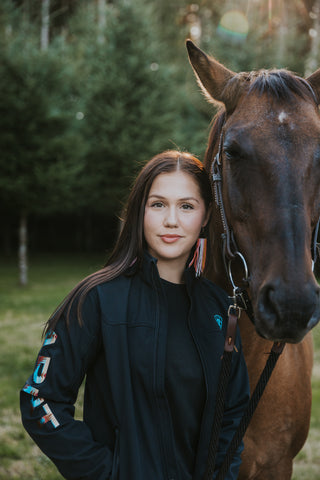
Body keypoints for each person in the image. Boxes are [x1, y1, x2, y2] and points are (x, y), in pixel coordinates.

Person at [20, 150, 250, 480]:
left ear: (205, 216)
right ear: (139, 211)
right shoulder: (97, 299)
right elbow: (40, 401)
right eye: (158, 204)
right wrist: (106, 472)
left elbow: (233, 411)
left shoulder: (220, 308)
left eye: (186, 206)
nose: (171, 220)